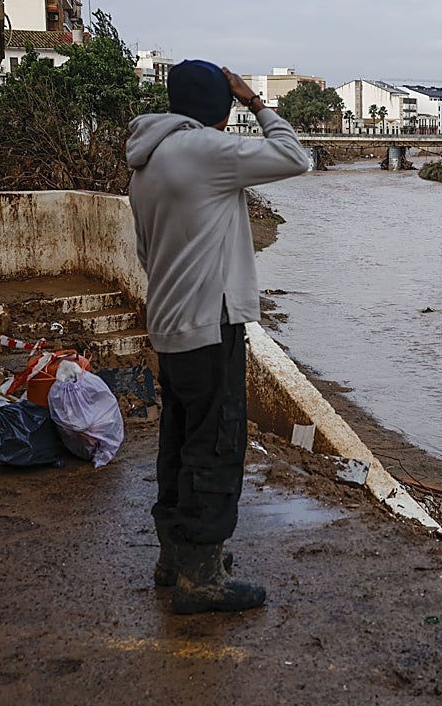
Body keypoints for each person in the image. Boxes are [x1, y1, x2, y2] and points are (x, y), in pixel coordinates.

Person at [125, 60, 310, 615]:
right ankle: (201, 579)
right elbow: (296, 157)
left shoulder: (147, 160)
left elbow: (144, 251)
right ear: (217, 105)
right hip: (211, 323)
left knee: (178, 443)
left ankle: (174, 558)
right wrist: (257, 101)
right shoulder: (204, 151)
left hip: (170, 322)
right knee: (216, 444)